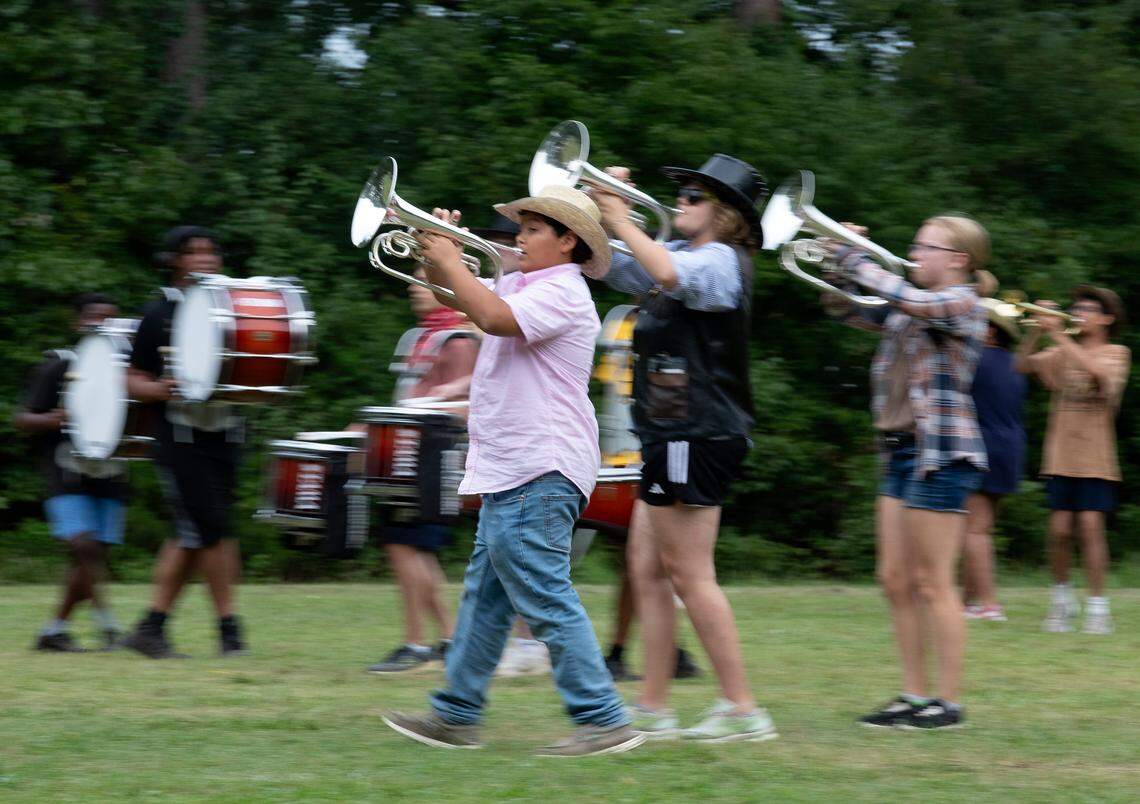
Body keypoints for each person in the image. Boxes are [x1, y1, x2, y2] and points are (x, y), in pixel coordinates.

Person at [381, 185, 644, 757]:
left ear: (567, 240)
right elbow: (466, 300)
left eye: (531, 229)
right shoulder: (525, 282)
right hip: (514, 463)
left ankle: (603, 717)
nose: (518, 238)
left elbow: (495, 318)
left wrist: (452, 259)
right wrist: (435, 252)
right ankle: (456, 714)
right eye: (519, 228)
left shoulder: (565, 292)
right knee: (486, 596)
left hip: (540, 463)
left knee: (544, 593)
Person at [591, 154, 775, 742]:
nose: (681, 203)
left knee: (691, 575)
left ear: (725, 215)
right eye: (684, 195)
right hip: (670, 431)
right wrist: (595, 212)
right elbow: (608, 268)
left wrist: (622, 219)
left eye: (694, 198)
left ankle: (743, 709)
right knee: (645, 569)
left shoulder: (721, 260)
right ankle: (653, 706)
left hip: (697, 432)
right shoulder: (683, 254)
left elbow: (668, 275)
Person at [825, 215, 990, 730]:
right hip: (898, 450)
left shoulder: (963, 303)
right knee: (894, 579)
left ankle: (949, 701)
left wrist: (860, 260)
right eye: (914, 245)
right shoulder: (904, 306)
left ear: (958, 259)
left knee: (933, 581)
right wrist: (837, 260)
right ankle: (912, 695)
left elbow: (913, 301)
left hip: (939, 450)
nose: (914, 253)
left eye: (925, 247)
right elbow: (844, 310)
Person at [120, 226, 247, 659]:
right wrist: (159, 389)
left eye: (211, 252)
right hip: (177, 433)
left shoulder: (232, 308)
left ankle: (150, 628)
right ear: (174, 260)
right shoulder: (159, 314)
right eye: (193, 253)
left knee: (192, 532)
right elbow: (132, 377)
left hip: (226, 427)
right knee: (211, 530)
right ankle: (229, 631)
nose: (205, 259)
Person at [366, 265, 477, 673]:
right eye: (412, 281)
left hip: (433, 457)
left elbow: (472, 405)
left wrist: (423, 410)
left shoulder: (459, 337)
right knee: (415, 548)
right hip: (410, 455)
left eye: (423, 282)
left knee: (404, 545)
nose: (414, 289)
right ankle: (449, 641)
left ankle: (415, 645)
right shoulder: (424, 336)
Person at [1015, 286, 1130, 635]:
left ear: (1107, 318)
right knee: (1059, 530)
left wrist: (1059, 337)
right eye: (1076, 308)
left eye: (1088, 309)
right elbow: (1019, 364)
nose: (1079, 313)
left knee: (1091, 529)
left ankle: (1098, 607)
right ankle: (1062, 600)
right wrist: (1036, 330)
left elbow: (1097, 374)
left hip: (1095, 457)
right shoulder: (1061, 349)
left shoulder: (1117, 352)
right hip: (1060, 455)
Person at [16, 293, 128, 651]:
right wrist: (50, 418)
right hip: (64, 469)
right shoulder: (60, 365)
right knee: (84, 546)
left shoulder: (128, 368)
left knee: (94, 554)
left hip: (111, 471)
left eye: (110, 320)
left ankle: (53, 631)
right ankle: (107, 625)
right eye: (95, 318)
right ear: (79, 324)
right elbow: (22, 418)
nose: (102, 326)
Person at [962, 292, 1027, 622]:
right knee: (982, 528)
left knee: (974, 530)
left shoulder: (974, 360)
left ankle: (989, 604)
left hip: (981, 445)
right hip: (1011, 449)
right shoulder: (1016, 365)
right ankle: (968, 602)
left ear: (989, 332)